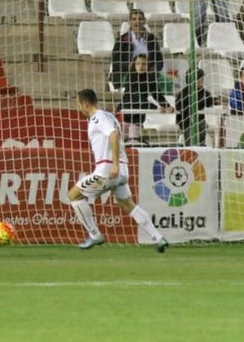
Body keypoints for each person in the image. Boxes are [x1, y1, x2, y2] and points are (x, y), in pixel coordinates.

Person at [66, 88, 170, 252]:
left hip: (108, 169)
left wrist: (113, 164)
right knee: (128, 205)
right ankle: (158, 238)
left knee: (73, 195)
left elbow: (113, 135)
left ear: (85, 104)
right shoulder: (110, 116)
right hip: (122, 170)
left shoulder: (98, 118)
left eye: (78, 105)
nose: (78, 109)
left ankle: (94, 235)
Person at [118, 53, 173, 144]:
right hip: (125, 112)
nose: (141, 66)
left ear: (148, 65)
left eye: (144, 64)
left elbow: (157, 94)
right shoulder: (130, 77)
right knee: (121, 141)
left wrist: (167, 106)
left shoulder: (150, 78)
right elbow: (136, 97)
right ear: (134, 65)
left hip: (138, 115)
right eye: (138, 64)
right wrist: (156, 108)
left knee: (133, 141)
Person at [109, 8, 163, 90]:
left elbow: (159, 60)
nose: (137, 21)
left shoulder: (151, 38)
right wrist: (129, 66)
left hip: (148, 73)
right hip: (127, 73)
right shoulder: (122, 40)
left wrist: (154, 69)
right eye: (134, 19)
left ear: (144, 21)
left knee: (165, 82)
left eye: (140, 19)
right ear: (130, 22)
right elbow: (115, 62)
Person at [175, 66, 216, 146]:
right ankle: (190, 146)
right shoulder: (183, 93)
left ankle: (201, 145)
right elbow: (179, 106)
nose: (203, 81)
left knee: (201, 125)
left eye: (203, 79)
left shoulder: (204, 92)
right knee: (191, 129)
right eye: (201, 79)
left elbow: (209, 103)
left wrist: (215, 101)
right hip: (186, 121)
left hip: (200, 120)